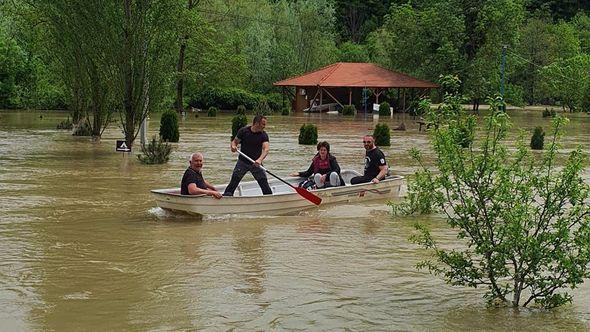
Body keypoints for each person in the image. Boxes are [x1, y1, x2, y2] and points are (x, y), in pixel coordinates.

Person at [223, 115, 272, 196]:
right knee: (233, 183)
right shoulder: (244, 131)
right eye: (263, 124)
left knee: (264, 185)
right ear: (256, 123)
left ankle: (269, 199)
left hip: (256, 163)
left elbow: (266, 149)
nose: (264, 126)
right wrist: (233, 146)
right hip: (242, 162)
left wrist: (260, 160)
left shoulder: (263, 135)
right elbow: (234, 142)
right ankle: (226, 197)